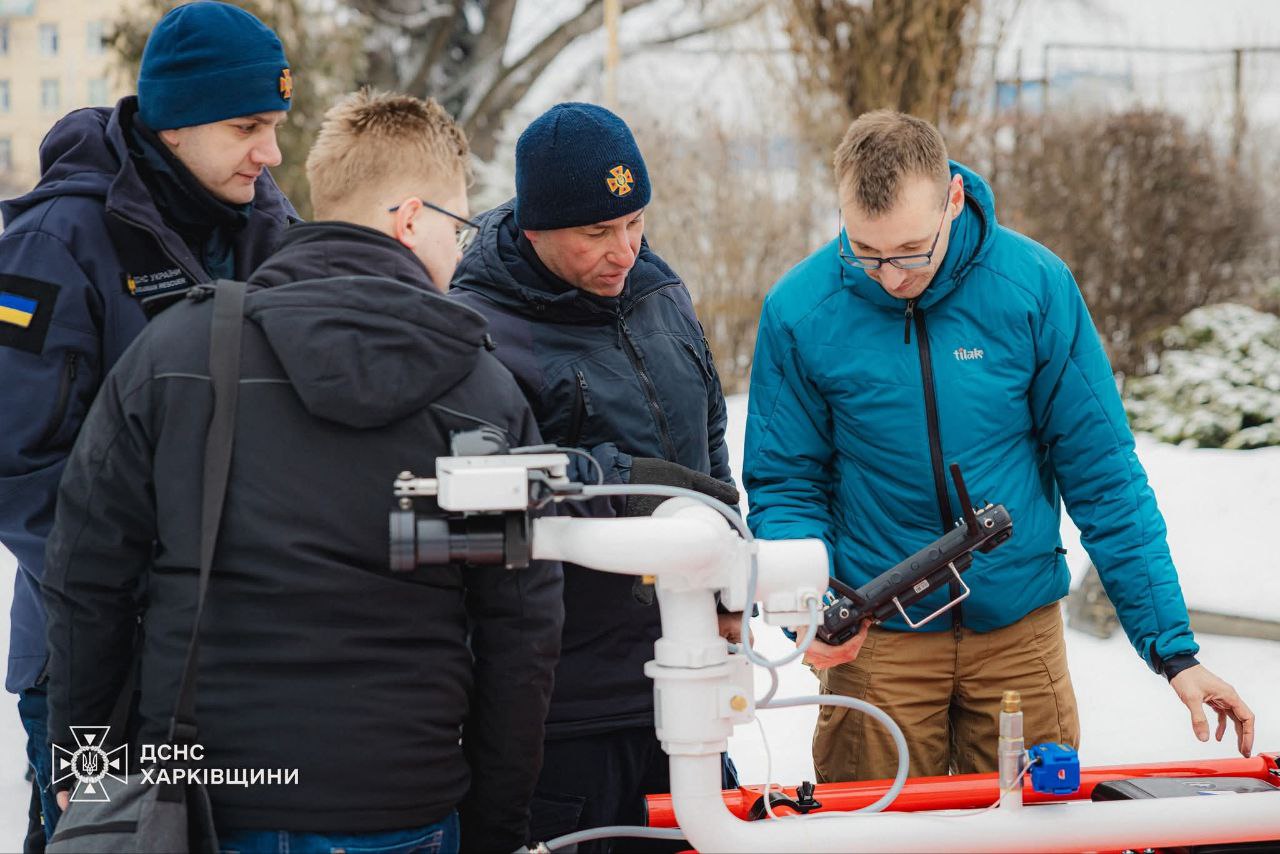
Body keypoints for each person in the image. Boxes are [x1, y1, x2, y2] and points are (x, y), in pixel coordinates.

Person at [42, 89, 563, 854]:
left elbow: (87, 576)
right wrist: (496, 820)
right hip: (401, 796)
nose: (464, 252)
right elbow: (518, 632)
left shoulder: (176, 354)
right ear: (411, 219)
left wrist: (87, 767)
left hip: (203, 797)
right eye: (461, 226)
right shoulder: (481, 397)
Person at [744, 110, 1255, 783]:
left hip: (1018, 637)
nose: (890, 276)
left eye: (910, 250)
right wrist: (806, 613)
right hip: (880, 647)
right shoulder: (800, 310)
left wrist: (1175, 652)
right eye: (866, 253)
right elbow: (786, 485)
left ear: (953, 199)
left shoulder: (1034, 289)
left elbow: (1104, 476)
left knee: (1034, 828)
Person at [0, 2, 295, 847]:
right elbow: (17, 466)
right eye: (247, 127)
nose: (269, 153)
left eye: (275, 126)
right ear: (175, 124)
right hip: (88, 659)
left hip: (229, 656)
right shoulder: (57, 244)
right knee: (99, 834)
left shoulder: (271, 232)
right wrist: (141, 577)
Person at [451, 102, 739, 850]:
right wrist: (638, 485)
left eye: (635, 222)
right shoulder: (480, 327)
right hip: (570, 704)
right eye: (597, 233)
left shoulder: (656, 286)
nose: (625, 250)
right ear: (536, 227)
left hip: (684, 675)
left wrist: (729, 569)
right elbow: (491, 494)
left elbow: (707, 435)